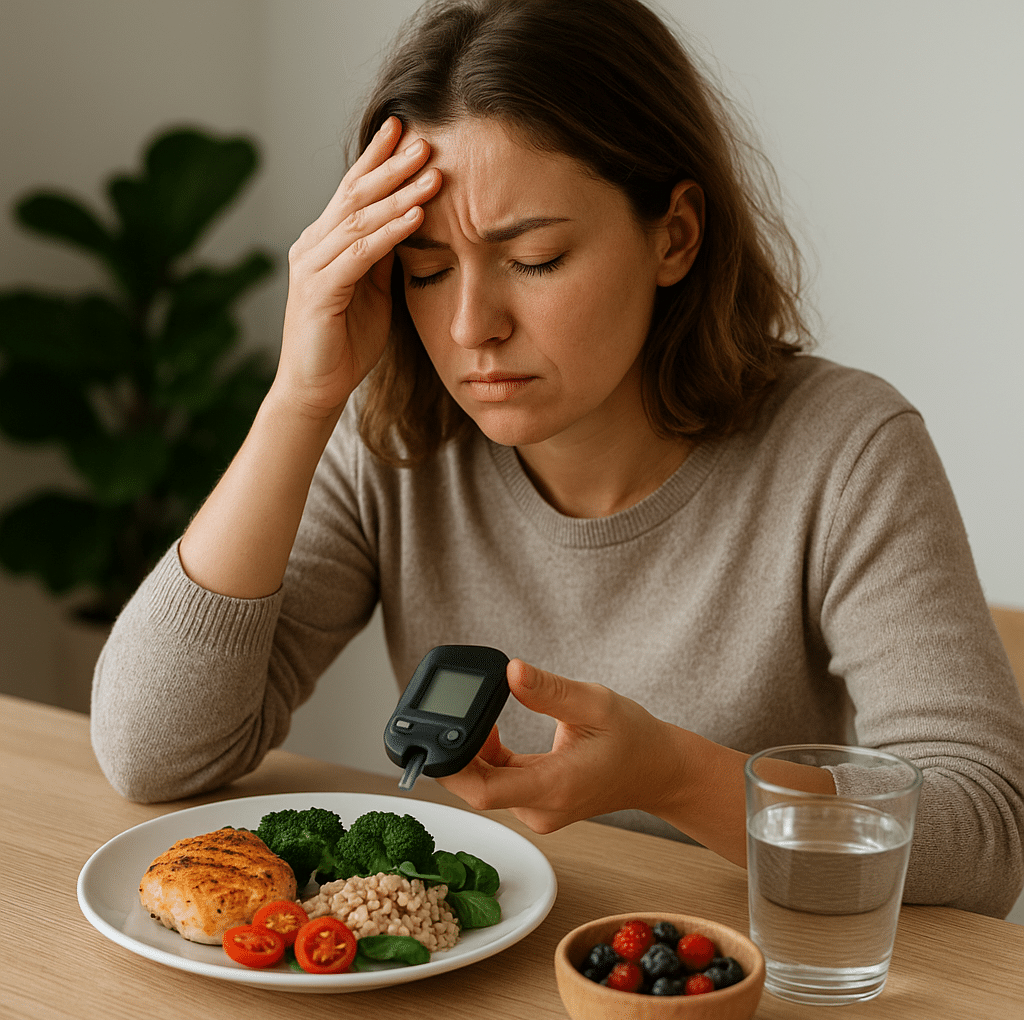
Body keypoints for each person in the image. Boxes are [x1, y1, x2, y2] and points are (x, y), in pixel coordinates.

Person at [91, 0, 1024, 918]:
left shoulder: (845, 449)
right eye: (423, 269)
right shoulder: (396, 443)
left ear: (675, 234)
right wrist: (299, 398)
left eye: (533, 258)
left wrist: (675, 774)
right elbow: (152, 753)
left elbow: (985, 837)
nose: (469, 328)